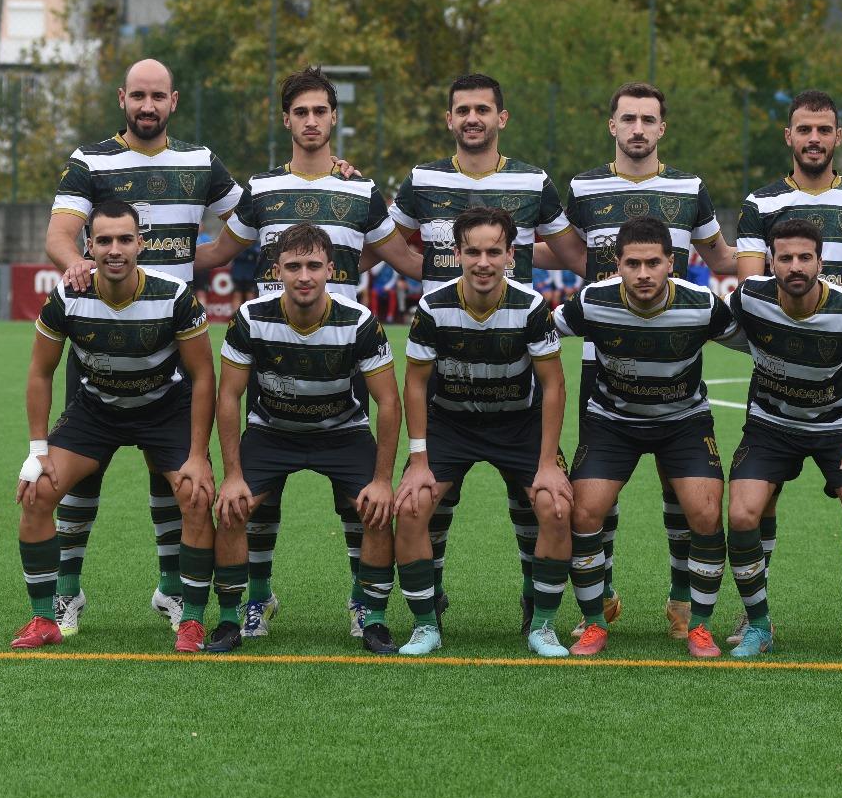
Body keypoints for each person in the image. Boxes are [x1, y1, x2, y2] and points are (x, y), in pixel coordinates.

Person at [194, 66, 423, 639]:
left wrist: (485, 261)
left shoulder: (360, 190)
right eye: (302, 112)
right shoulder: (262, 189)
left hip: (343, 362)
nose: (312, 121)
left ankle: (364, 606)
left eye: (321, 111)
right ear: (287, 119)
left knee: (363, 505)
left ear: (334, 117)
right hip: (272, 364)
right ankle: (256, 600)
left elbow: (402, 259)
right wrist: (138, 265)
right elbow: (220, 250)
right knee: (253, 501)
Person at [43, 58, 241, 638]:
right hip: (100, 336)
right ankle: (66, 591)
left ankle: (173, 591)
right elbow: (59, 233)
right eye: (137, 96)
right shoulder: (90, 160)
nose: (147, 106)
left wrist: (194, 262)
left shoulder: (201, 162)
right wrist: (76, 263)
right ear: (121, 99)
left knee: (173, 471)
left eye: (157, 96)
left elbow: (247, 221)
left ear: (173, 101)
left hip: (173, 337)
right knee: (83, 472)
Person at [540, 80, 739, 641]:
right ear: (612, 126)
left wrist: (782, 273)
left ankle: (682, 599)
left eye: (648, 120)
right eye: (628, 119)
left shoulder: (688, 188)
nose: (637, 130)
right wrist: (494, 257)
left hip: (673, 354)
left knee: (685, 493)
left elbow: (720, 255)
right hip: (604, 358)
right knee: (597, 488)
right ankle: (599, 597)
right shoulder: (583, 187)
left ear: (661, 128)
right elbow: (566, 252)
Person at [388, 73, 586, 631]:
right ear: (449, 119)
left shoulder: (533, 182)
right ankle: (430, 614)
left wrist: (641, 273)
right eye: (461, 110)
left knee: (544, 506)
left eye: (482, 109)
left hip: (513, 373)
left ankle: (538, 613)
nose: (471, 118)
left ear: (502, 118)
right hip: (448, 374)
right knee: (426, 505)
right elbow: (386, 242)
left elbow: (574, 254)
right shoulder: (421, 180)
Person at [729, 88, 842, 647]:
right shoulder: (760, 204)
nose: (814, 139)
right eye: (805, 129)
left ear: (837, 137)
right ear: (790, 136)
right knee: (757, 503)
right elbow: (755, 284)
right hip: (781, 376)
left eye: (824, 130)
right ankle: (755, 617)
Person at [13, 199, 218, 652]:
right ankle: (45, 616)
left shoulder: (173, 295)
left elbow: (204, 376)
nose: (115, 249)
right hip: (97, 411)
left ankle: (193, 619)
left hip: (164, 408)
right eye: (104, 240)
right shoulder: (68, 295)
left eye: (125, 239)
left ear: (140, 244)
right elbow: (39, 372)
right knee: (37, 493)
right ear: (89, 246)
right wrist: (37, 450)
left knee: (197, 494)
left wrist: (200, 456)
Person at [208, 223, 403, 655]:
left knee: (375, 510)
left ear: (331, 270)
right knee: (232, 507)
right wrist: (232, 475)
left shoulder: (360, 321)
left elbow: (389, 403)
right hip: (271, 433)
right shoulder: (251, 317)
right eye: (293, 266)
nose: (304, 276)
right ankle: (233, 614)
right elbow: (228, 397)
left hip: (344, 434)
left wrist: (384, 480)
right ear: (276, 270)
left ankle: (371, 613)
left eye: (314, 265)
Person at [552, 216, 739, 657]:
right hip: (612, 422)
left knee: (707, 514)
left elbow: (757, 343)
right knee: (584, 512)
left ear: (671, 263)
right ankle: (596, 621)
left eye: (653, 263)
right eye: (632, 263)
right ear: (616, 263)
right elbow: (538, 331)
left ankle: (699, 624)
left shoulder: (703, 305)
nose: (643, 274)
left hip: (684, 421)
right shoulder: (592, 301)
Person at [391, 207, 573, 658]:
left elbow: (554, 386)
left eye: (495, 251)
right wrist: (418, 460)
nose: (484, 262)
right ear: (457, 254)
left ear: (511, 255)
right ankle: (425, 624)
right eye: (472, 251)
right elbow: (414, 383)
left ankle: (542, 624)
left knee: (555, 507)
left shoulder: (531, 308)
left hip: (517, 424)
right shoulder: (433, 307)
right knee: (412, 508)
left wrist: (548, 464)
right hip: (451, 423)